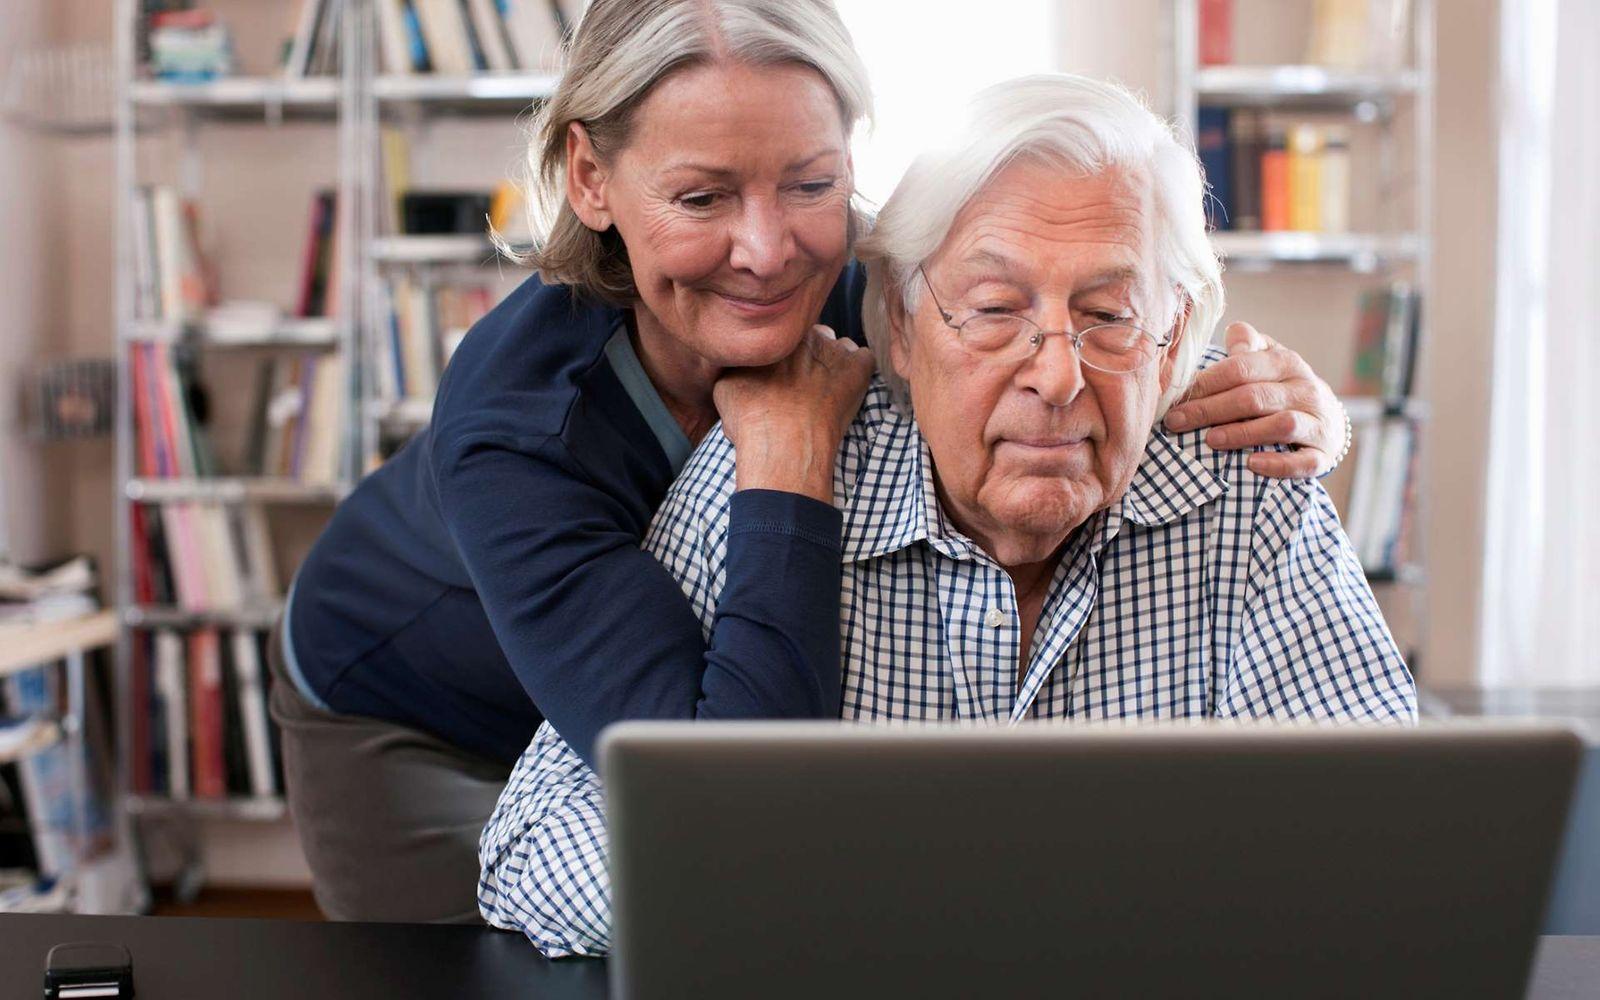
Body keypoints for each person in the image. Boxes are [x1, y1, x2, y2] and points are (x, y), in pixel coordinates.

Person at [269, 1, 1354, 923]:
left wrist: (1302, 412)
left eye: (810, 182)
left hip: (670, 710)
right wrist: (787, 461)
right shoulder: (518, 427)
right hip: (420, 712)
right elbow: (727, 796)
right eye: (702, 197)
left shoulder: (873, 274)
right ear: (590, 178)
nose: (769, 248)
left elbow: (1076, 308)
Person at [477, 72, 1416, 957]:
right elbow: (533, 859)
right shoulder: (768, 468)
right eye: (995, 310)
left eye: (1111, 313)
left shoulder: (1241, 478)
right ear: (900, 328)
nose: (1056, 375)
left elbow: (1388, 842)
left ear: (1173, 341)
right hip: (397, 678)